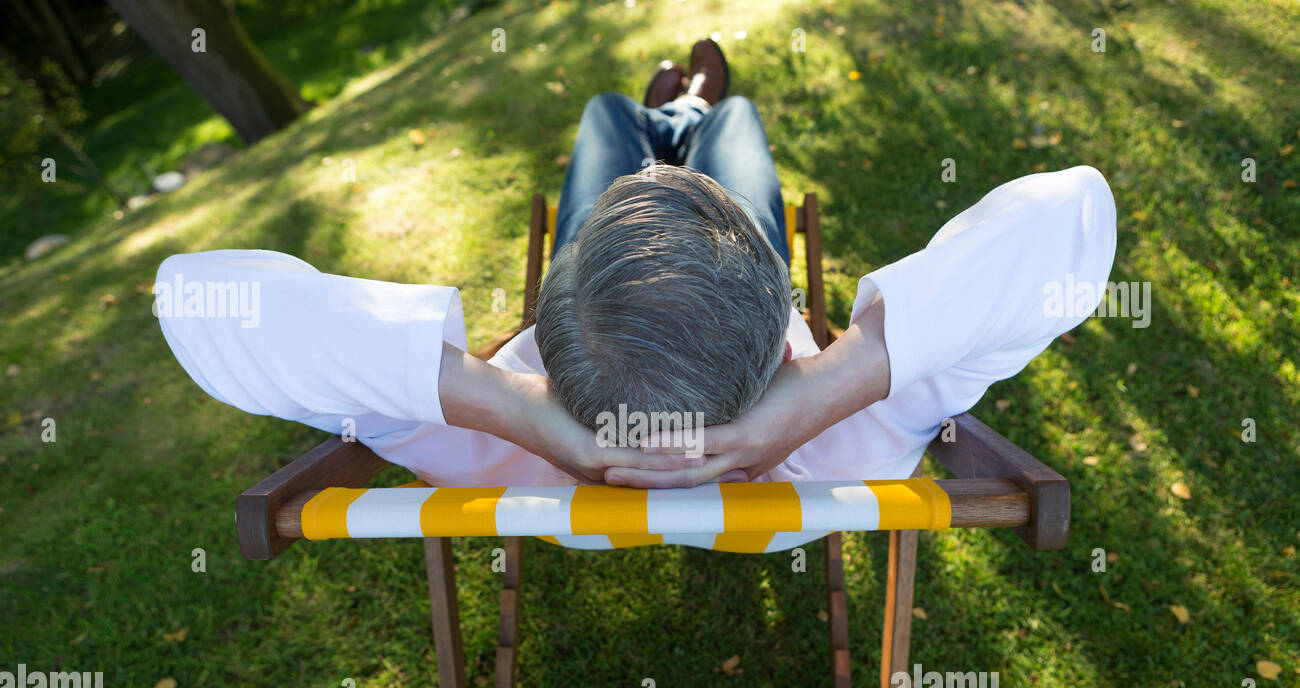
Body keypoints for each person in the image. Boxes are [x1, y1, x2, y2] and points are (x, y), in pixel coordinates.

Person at [157, 39, 1117, 507]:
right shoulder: (847, 446)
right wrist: (818, 394)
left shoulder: (493, 447)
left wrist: (523, 411)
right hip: (720, 299)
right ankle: (699, 109)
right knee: (734, 131)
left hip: (617, 305)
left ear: (553, 312)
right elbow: (1070, 214)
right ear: (773, 307)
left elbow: (202, 299)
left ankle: (661, 117)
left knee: (604, 119)